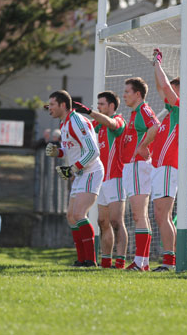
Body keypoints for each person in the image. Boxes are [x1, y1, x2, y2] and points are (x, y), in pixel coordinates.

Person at [45, 90, 104, 267]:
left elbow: (93, 151)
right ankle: (81, 260)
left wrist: (74, 168)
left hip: (91, 170)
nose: (49, 108)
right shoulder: (65, 123)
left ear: (63, 105)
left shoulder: (77, 120)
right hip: (80, 172)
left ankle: (90, 261)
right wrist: (58, 152)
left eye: (52, 105)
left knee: (79, 214)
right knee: (71, 216)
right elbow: (71, 149)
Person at [72, 91, 128, 269]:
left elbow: (111, 123)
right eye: (98, 104)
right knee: (102, 221)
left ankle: (120, 261)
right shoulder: (96, 124)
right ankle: (105, 261)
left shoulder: (118, 120)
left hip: (116, 177)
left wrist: (88, 111)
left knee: (116, 221)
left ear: (112, 106)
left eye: (102, 104)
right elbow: (83, 131)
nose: (99, 107)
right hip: (100, 178)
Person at [121, 77, 160, 271]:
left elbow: (155, 126)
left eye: (127, 91)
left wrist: (142, 146)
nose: (124, 95)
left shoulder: (143, 109)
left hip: (139, 165)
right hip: (132, 166)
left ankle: (140, 262)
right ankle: (142, 262)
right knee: (139, 215)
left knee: (139, 214)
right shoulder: (135, 112)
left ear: (138, 94)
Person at [150, 49, 181, 271]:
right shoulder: (172, 112)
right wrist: (155, 66)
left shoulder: (180, 108)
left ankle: (170, 261)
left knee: (163, 214)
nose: (169, 91)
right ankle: (169, 259)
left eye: (174, 88)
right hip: (160, 167)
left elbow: (164, 86)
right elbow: (161, 87)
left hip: (169, 166)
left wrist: (158, 62)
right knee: (160, 214)